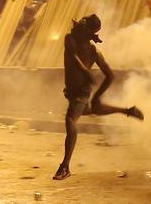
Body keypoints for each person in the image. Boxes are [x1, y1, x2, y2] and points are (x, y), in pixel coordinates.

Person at [53, 14, 144, 180]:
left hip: (81, 91)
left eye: (81, 28)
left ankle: (65, 166)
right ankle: (128, 111)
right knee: (91, 109)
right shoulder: (70, 39)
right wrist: (86, 72)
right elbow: (73, 57)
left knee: (71, 120)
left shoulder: (93, 51)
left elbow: (110, 75)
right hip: (74, 90)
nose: (75, 29)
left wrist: (97, 93)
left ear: (87, 33)